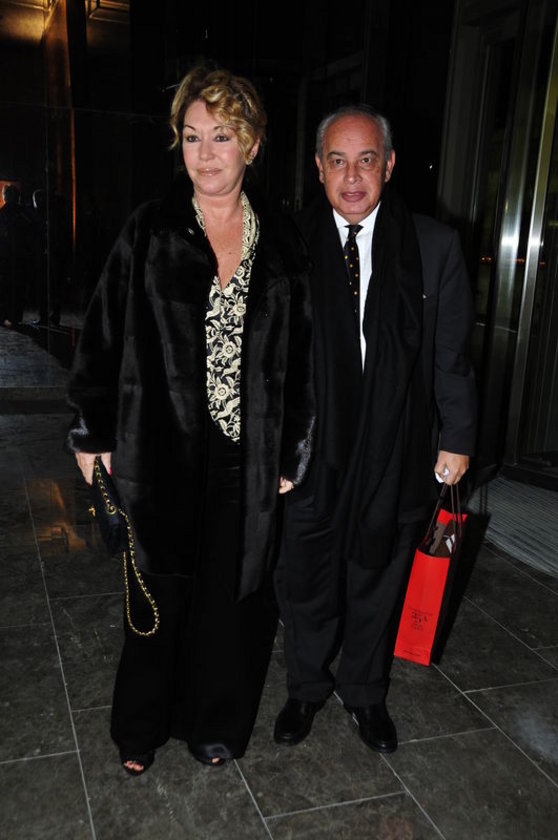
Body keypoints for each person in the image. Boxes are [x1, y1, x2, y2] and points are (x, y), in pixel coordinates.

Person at [65, 64, 315, 775]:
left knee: (230, 604)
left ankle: (215, 723)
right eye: (193, 136)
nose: (206, 154)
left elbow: (301, 360)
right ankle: (140, 728)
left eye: (222, 136)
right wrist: (91, 432)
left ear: (253, 145)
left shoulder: (283, 242)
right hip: (159, 451)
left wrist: (291, 453)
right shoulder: (151, 228)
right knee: (155, 599)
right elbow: (101, 337)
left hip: (247, 457)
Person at [273, 105, 476, 754]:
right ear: (318, 168)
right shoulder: (286, 242)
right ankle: (306, 686)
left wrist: (457, 437)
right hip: (311, 448)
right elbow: (266, 358)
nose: (352, 177)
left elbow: (450, 356)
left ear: (389, 165)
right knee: (305, 576)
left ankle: (364, 692)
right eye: (338, 161)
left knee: (378, 574)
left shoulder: (433, 246)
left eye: (366, 160)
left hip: (396, 445)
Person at [0, 184, 33, 327]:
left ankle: (4, 316)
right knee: (19, 287)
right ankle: (16, 316)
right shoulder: (23, 212)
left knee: (5, 287)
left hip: (6, 256)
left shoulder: (3, 212)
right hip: (20, 256)